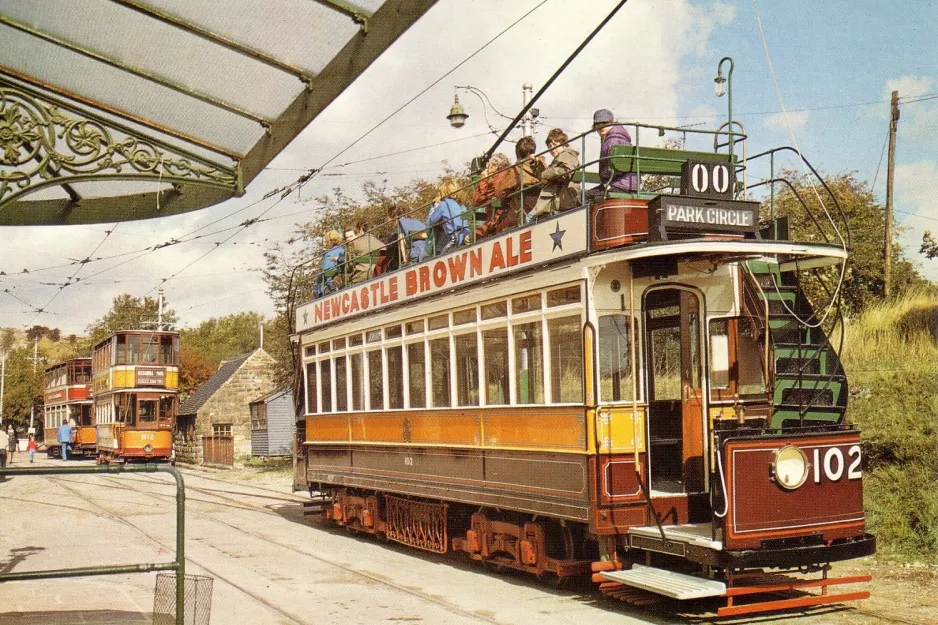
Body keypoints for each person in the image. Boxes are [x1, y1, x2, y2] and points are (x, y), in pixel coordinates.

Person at [529, 128, 581, 221]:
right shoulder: (559, 158)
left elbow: (566, 171)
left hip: (561, 200)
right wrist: (537, 164)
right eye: (549, 146)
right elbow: (546, 175)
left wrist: (546, 174)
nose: (552, 148)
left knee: (529, 219)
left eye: (555, 145)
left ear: (563, 144)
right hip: (556, 198)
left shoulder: (568, 154)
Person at [588, 108, 637, 199]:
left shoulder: (612, 140)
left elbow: (615, 169)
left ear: (613, 122)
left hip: (619, 185)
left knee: (584, 197)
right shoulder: (621, 137)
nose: (601, 127)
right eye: (598, 124)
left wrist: (603, 175)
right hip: (631, 184)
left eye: (605, 123)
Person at [427, 177, 471, 255]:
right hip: (465, 234)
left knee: (441, 257)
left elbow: (431, 222)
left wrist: (435, 205)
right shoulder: (462, 205)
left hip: (454, 237)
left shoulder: (443, 204)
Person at [316, 230, 346, 297]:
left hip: (331, 285)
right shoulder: (343, 250)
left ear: (329, 241)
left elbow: (325, 272)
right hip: (342, 281)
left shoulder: (329, 254)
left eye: (326, 241)